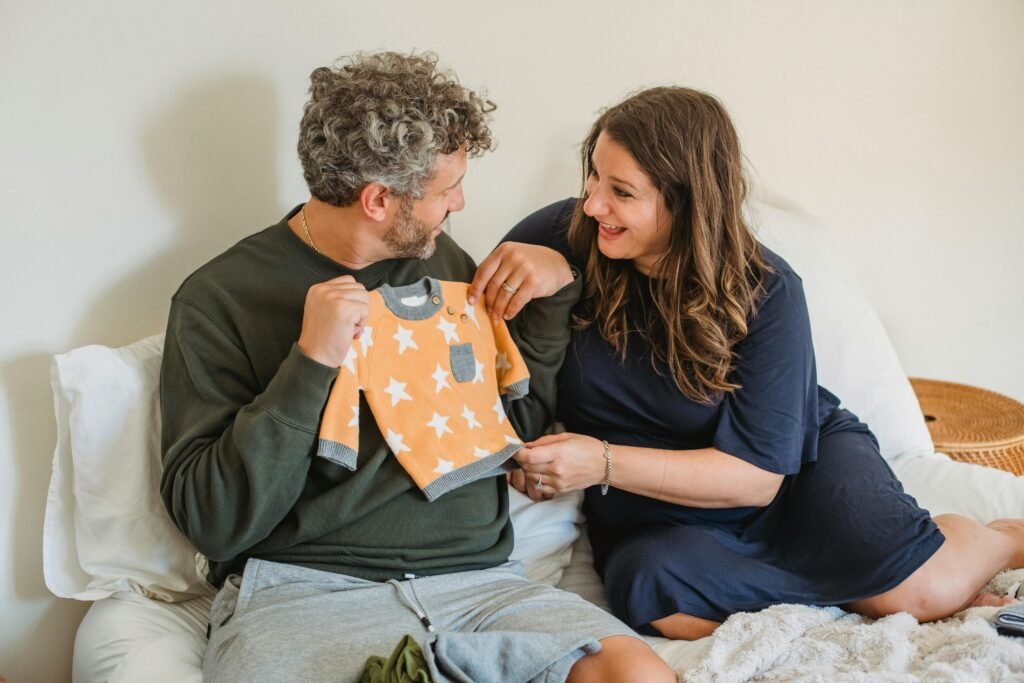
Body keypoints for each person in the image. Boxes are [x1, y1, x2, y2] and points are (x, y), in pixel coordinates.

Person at [159, 52, 674, 682]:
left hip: (483, 590)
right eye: (445, 189)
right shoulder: (218, 299)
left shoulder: (446, 264)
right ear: (378, 199)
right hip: (305, 600)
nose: (460, 202)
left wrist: (554, 296)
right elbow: (212, 520)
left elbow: (508, 427)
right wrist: (310, 362)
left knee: (636, 674)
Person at [468, 86, 1024, 641]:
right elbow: (481, 369)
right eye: (592, 177)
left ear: (686, 202)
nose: (592, 205)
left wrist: (601, 462)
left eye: (621, 192)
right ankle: (860, 590)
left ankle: (1001, 537)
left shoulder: (769, 291)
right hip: (661, 509)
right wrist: (521, 450)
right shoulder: (557, 238)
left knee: (921, 591)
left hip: (794, 472)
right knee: (656, 593)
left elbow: (757, 478)